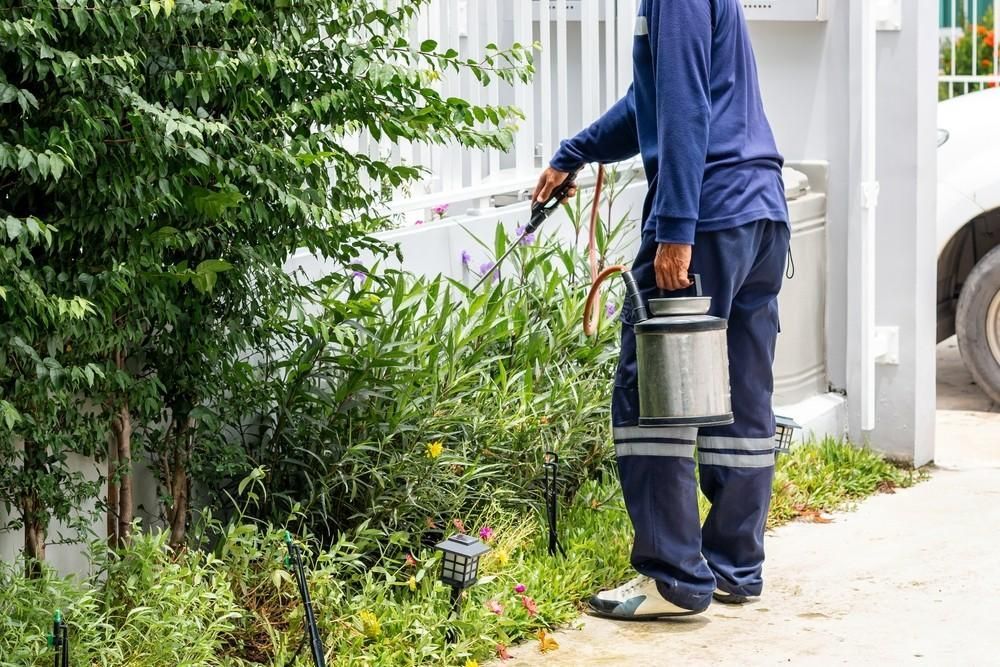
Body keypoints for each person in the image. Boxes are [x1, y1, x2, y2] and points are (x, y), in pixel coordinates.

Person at [533, 0, 790, 620]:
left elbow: (683, 108)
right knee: (742, 394)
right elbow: (650, 101)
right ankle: (735, 566)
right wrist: (577, 150)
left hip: (704, 216)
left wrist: (676, 229)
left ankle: (673, 578)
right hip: (759, 214)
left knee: (650, 395)